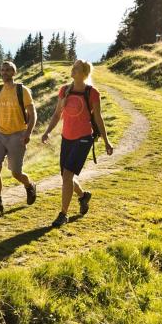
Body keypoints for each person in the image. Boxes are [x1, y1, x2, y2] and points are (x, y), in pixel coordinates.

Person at [39, 60, 114, 228]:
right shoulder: (64, 90)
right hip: (67, 138)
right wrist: (47, 131)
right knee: (66, 176)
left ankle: (63, 214)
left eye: (77, 68)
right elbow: (57, 114)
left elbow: (98, 118)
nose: (73, 70)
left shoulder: (92, 93)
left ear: (84, 73)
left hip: (83, 138)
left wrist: (106, 141)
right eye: (73, 67)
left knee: (67, 176)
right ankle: (82, 196)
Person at [0, 60, 37, 216]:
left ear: (14, 72)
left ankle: (29, 185)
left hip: (17, 135)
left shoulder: (22, 90)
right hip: (0, 135)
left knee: (16, 173)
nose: (4, 72)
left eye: (8, 70)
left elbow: (33, 114)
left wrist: (28, 133)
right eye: (2, 70)